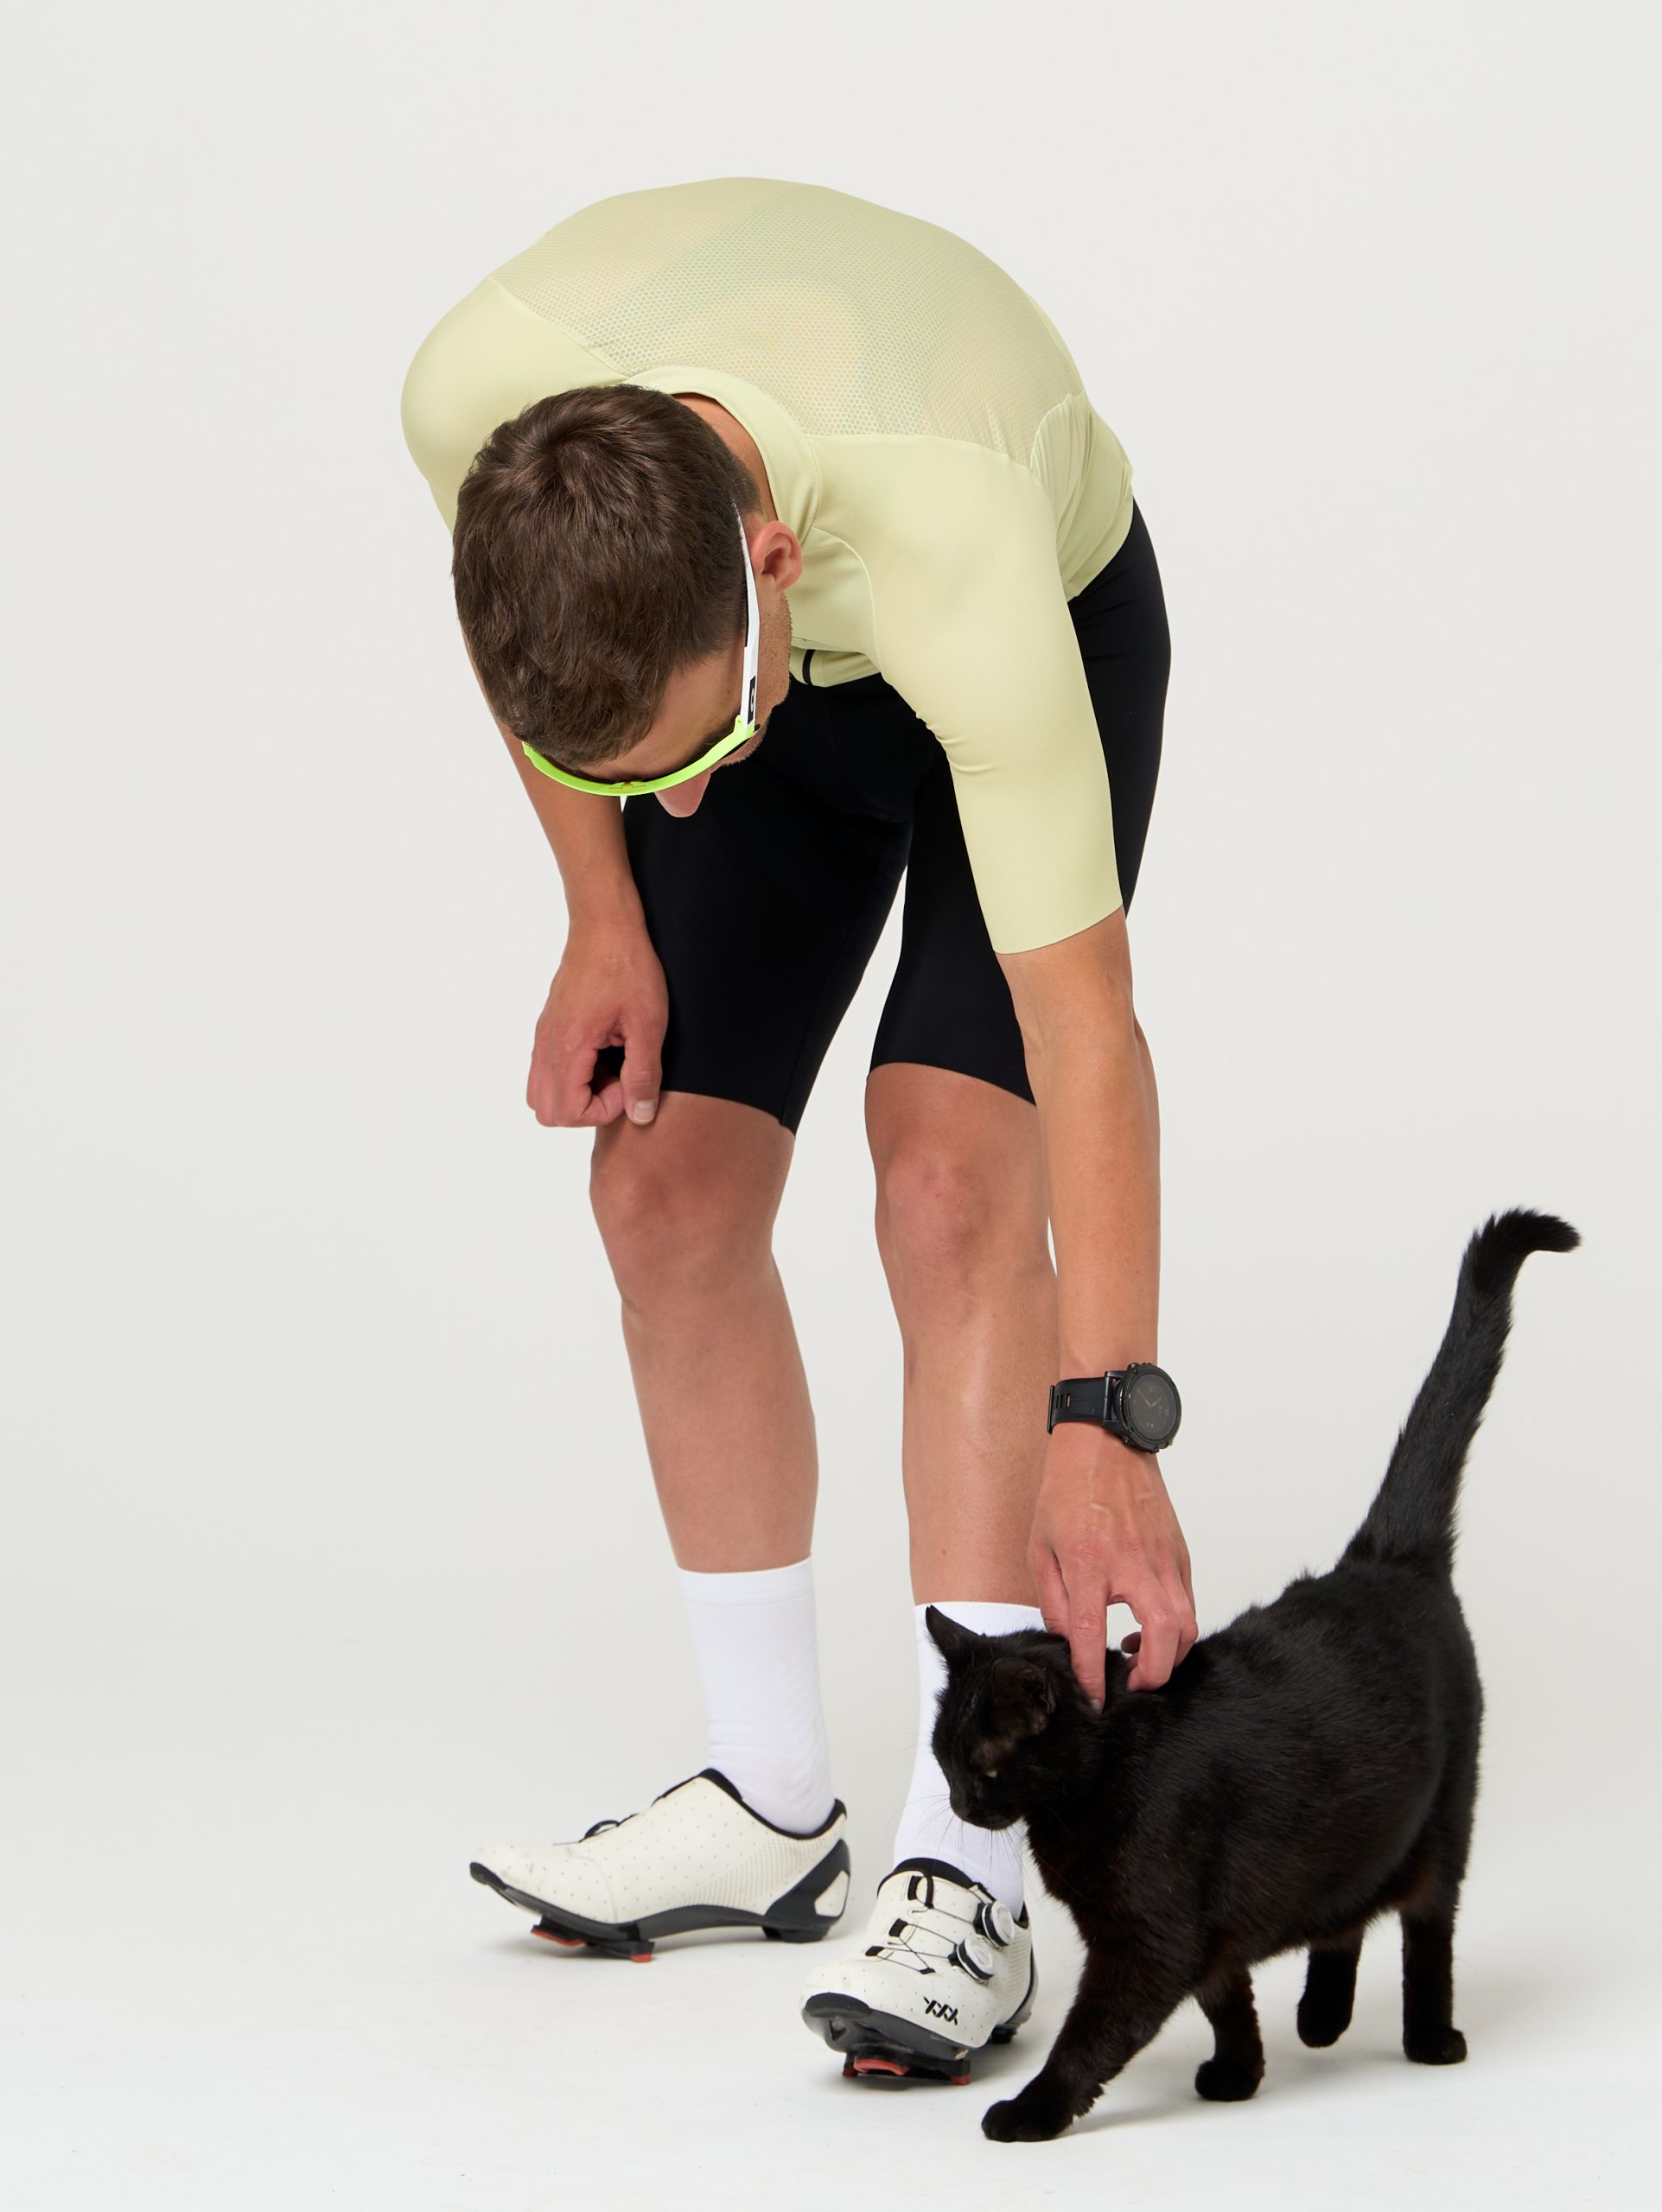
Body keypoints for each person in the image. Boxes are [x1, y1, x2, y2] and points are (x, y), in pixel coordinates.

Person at [400, 177, 1197, 2082]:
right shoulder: (474, 408)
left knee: (945, 1185)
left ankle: (971, 1858)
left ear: (768, 562)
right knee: (659, 1182)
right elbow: (552, 689)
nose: (675, 808)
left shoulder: (952, 537)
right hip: (765, 672)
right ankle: (768, 1801)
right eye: (636, 779)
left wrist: (1106, 1422)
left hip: (1021, 639)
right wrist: (603, 910)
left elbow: (1087, 1033)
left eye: (685, 760)